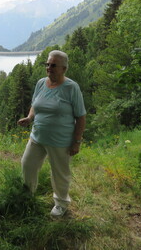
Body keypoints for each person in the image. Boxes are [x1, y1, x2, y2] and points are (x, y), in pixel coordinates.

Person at [17, 50, 86, 217]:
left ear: (64, 68)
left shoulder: (71, 88)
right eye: (47, 64)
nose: (49, 68)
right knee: (27, 165)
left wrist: (76, 142)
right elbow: (35, 104)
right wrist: (29, 117)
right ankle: (28, 195)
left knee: (60, 174)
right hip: (37, 136)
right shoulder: (41, 83)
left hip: (60, 140)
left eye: (53, 65)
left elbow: (81, 116)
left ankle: (61, 203)